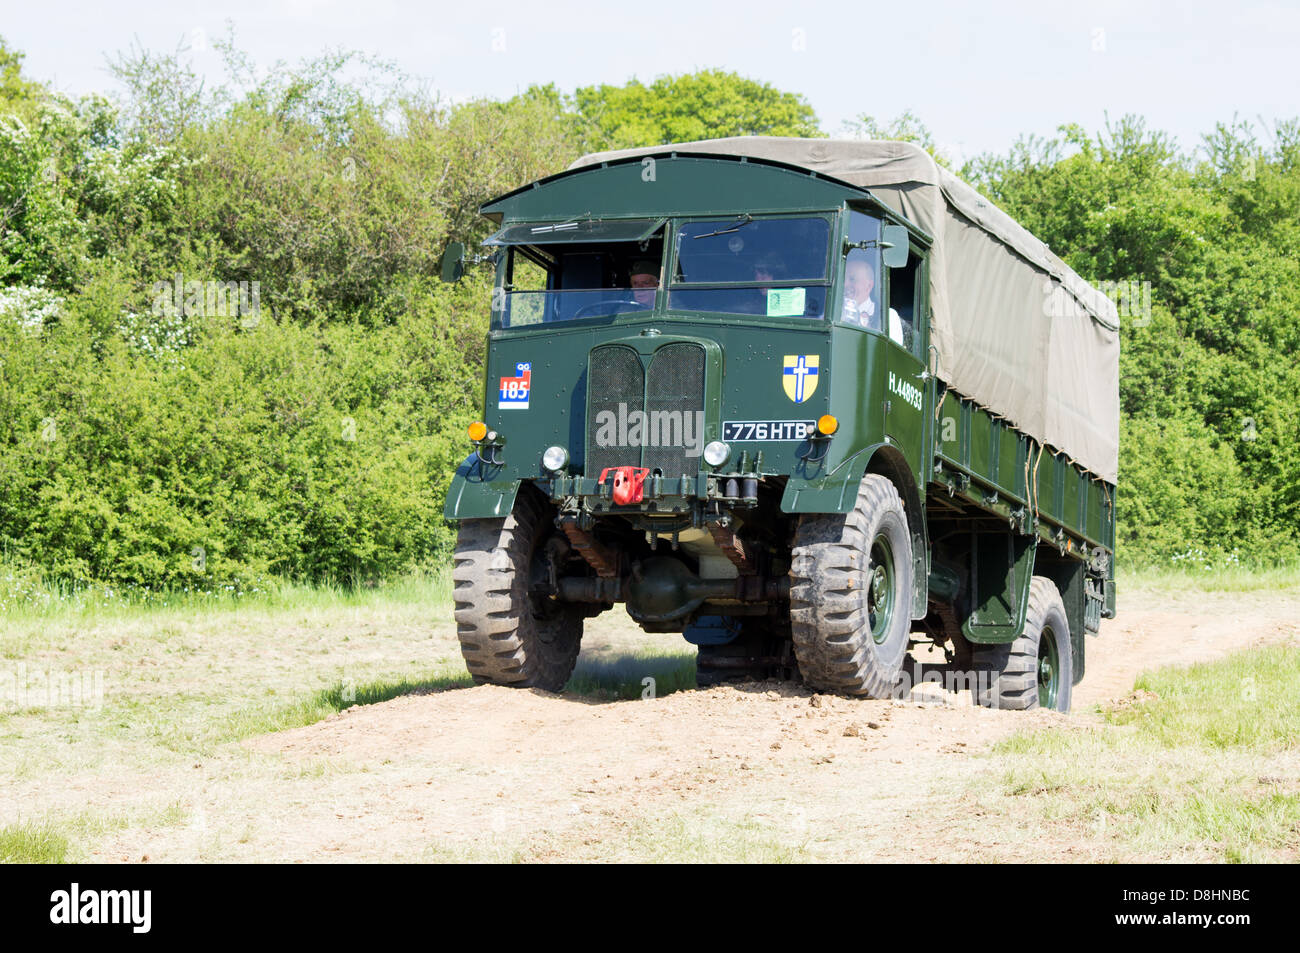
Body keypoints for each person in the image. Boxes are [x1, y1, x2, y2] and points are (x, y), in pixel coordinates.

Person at [843, 255, 905, 344]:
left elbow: (893, 354)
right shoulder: (834, 313)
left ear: (869, 286)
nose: (845, 284)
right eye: (843, 279)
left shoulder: (888, 317)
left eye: (852, 279)